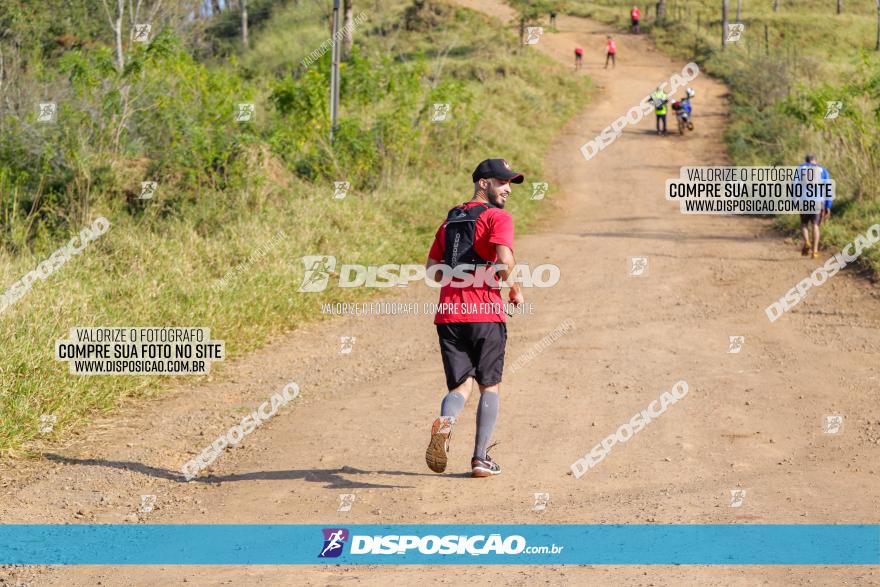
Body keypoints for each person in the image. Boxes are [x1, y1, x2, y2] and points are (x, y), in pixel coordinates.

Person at [425, 158, 525, 478]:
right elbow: (504, 258)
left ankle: (447, 424)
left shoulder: (450, 220)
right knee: (489, 386)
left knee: (460, 387)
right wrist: (514, 290)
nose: (508, 189)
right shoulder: (497, 217)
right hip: (484, 313)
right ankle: (480, 459)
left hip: (450, 315)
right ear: (484, 184)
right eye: (502, 182)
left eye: (510, 184)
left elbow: (432, 269)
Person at [796, 154, 833, 259]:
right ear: (815, 161)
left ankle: (807, 242)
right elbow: (827, 188)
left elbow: (795, 185)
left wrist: (795, 200)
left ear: (806, 160)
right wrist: (828, 205)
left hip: (804, 201)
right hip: (818, 202)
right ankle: (815, 251)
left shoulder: (800, 169)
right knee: (815, 225)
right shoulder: (823, 170)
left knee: (804, 224)